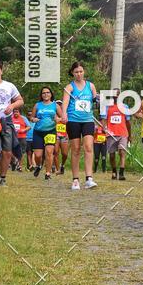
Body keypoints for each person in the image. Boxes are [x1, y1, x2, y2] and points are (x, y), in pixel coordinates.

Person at [61, 61, 97, 190]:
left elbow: (95, 101)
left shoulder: (91, 86)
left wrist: (98, 101)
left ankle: (89, 178)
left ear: (84, 72)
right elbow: (64, 102)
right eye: (76, 72)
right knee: (75, 148)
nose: (79, 74)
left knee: (88, 147)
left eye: (81, 71)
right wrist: (64, 114)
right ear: (72, 73)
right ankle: (75, 179)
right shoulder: (69, 87)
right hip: (73, 120)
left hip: (87, 119)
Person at [30, 87, 61, 181]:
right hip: (38, 132)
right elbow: (31, 117)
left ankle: (47, 173)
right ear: (41, 95)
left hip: (50, 131)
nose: (46, 94)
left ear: (51, 94)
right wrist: (33, 119)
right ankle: (39, 166)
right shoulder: (37, 105)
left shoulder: (55, 106)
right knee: (38, 155)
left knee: (49, 152)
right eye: (43, 93)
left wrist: (58, 119)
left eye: (48, 92)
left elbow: (62, 118)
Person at [104, 89, 130, 181]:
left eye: (118, 94)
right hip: (111, 134)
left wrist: (130, 135)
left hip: (123, 133)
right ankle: (114, 170)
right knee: (111, 155)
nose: (116, 96)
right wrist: (105, 129)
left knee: (122, 151)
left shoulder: (125, 107)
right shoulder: (107, 107)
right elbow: (103, 120)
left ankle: (122, 172)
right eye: (114, 94)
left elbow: (128, 121)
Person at [53, 103, 69, 175]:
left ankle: (62, 165)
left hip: (64, 135)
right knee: (56, 152)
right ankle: (58, 169)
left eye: (60, 104)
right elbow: (55, 120)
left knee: (65, 154)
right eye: (58, 104)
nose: (59, 106)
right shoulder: (53, 113)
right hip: (55, 135)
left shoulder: (66, 114)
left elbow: (68, 123)